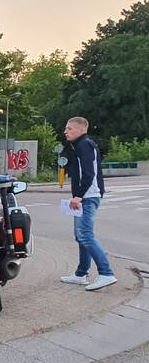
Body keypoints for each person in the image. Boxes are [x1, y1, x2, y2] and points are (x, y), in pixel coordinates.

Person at [60, 116, 116, 291]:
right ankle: (81, 274)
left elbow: (89, 173)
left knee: (85, 235)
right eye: (66, 128)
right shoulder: (79, 146)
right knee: (80, 236)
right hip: (84, 196)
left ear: (82, 129)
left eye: (69, 128)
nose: (65, 131)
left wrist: (79, 196)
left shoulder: (85, 145)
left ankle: (106, 273)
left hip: (88, 197)